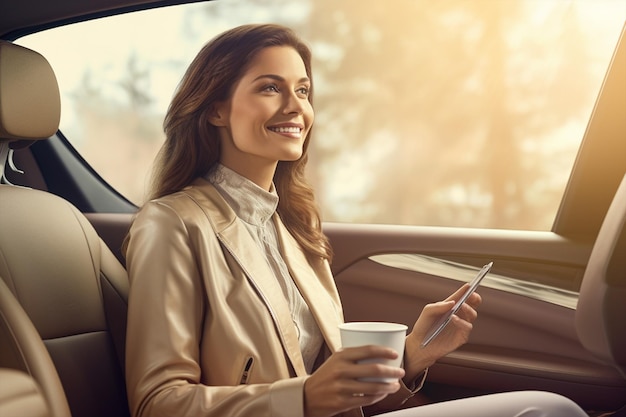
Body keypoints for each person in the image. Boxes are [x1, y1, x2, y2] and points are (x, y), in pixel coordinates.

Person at [124, 23, 589, 417]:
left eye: (303, 90)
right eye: (271, 87)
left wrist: (408, 357)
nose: (296, 107)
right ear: (215, 109)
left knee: (548, 408)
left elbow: (328, 384)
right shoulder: (172, 224)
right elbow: (158, 402)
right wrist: (301, 398)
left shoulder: (293, 225)